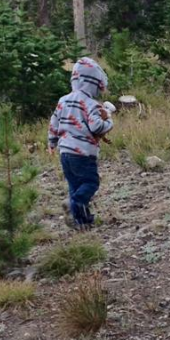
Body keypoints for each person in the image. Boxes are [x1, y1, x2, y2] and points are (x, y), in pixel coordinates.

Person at [48, 57, 114, 229]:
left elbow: (54, 122)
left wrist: (52, 142)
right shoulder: (90, 104)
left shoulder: (63, 100)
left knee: (74, 185)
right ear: (93, 83)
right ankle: (73, 204)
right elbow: (97, 126)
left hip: (65, 152)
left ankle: (81, 221)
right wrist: (109, 123)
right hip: (83, 153)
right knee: (91, 183)